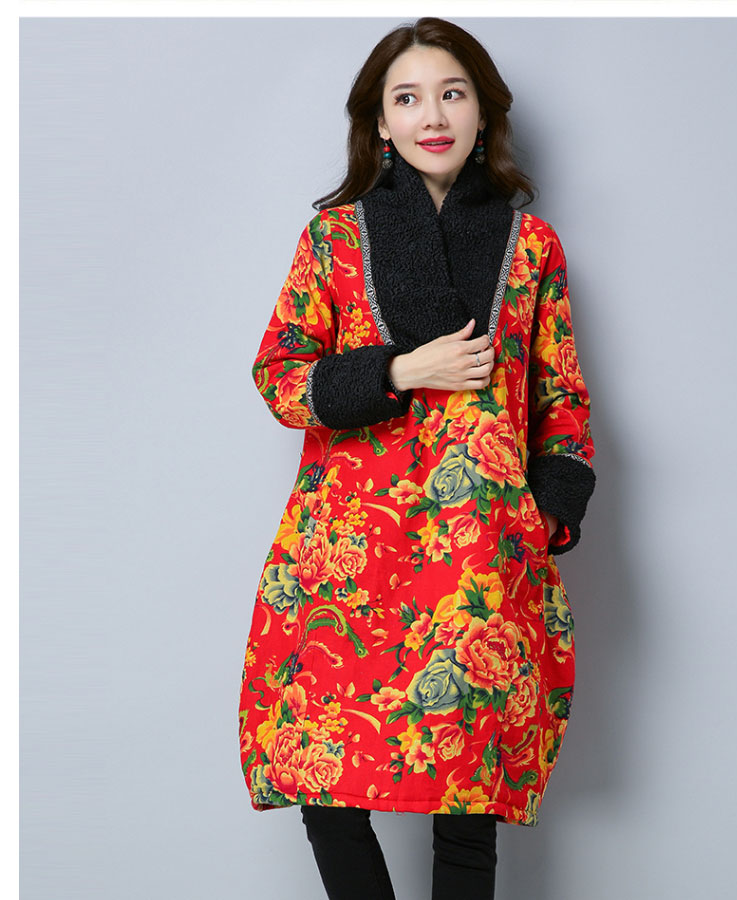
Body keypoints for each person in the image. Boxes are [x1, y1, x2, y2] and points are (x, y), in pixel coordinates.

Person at [238, 17, 596, 900]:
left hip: (479, 555)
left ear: (483, 113)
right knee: (323, 776)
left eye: (452, 93)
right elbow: (280, 378)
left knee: (468, 798)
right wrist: (400, 370)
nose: (432, 115)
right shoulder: (333, 239)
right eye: (408, 98)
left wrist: (543, 516)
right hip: (347, 553)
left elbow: (563, 400)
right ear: (381, 122)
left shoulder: (532, 247)